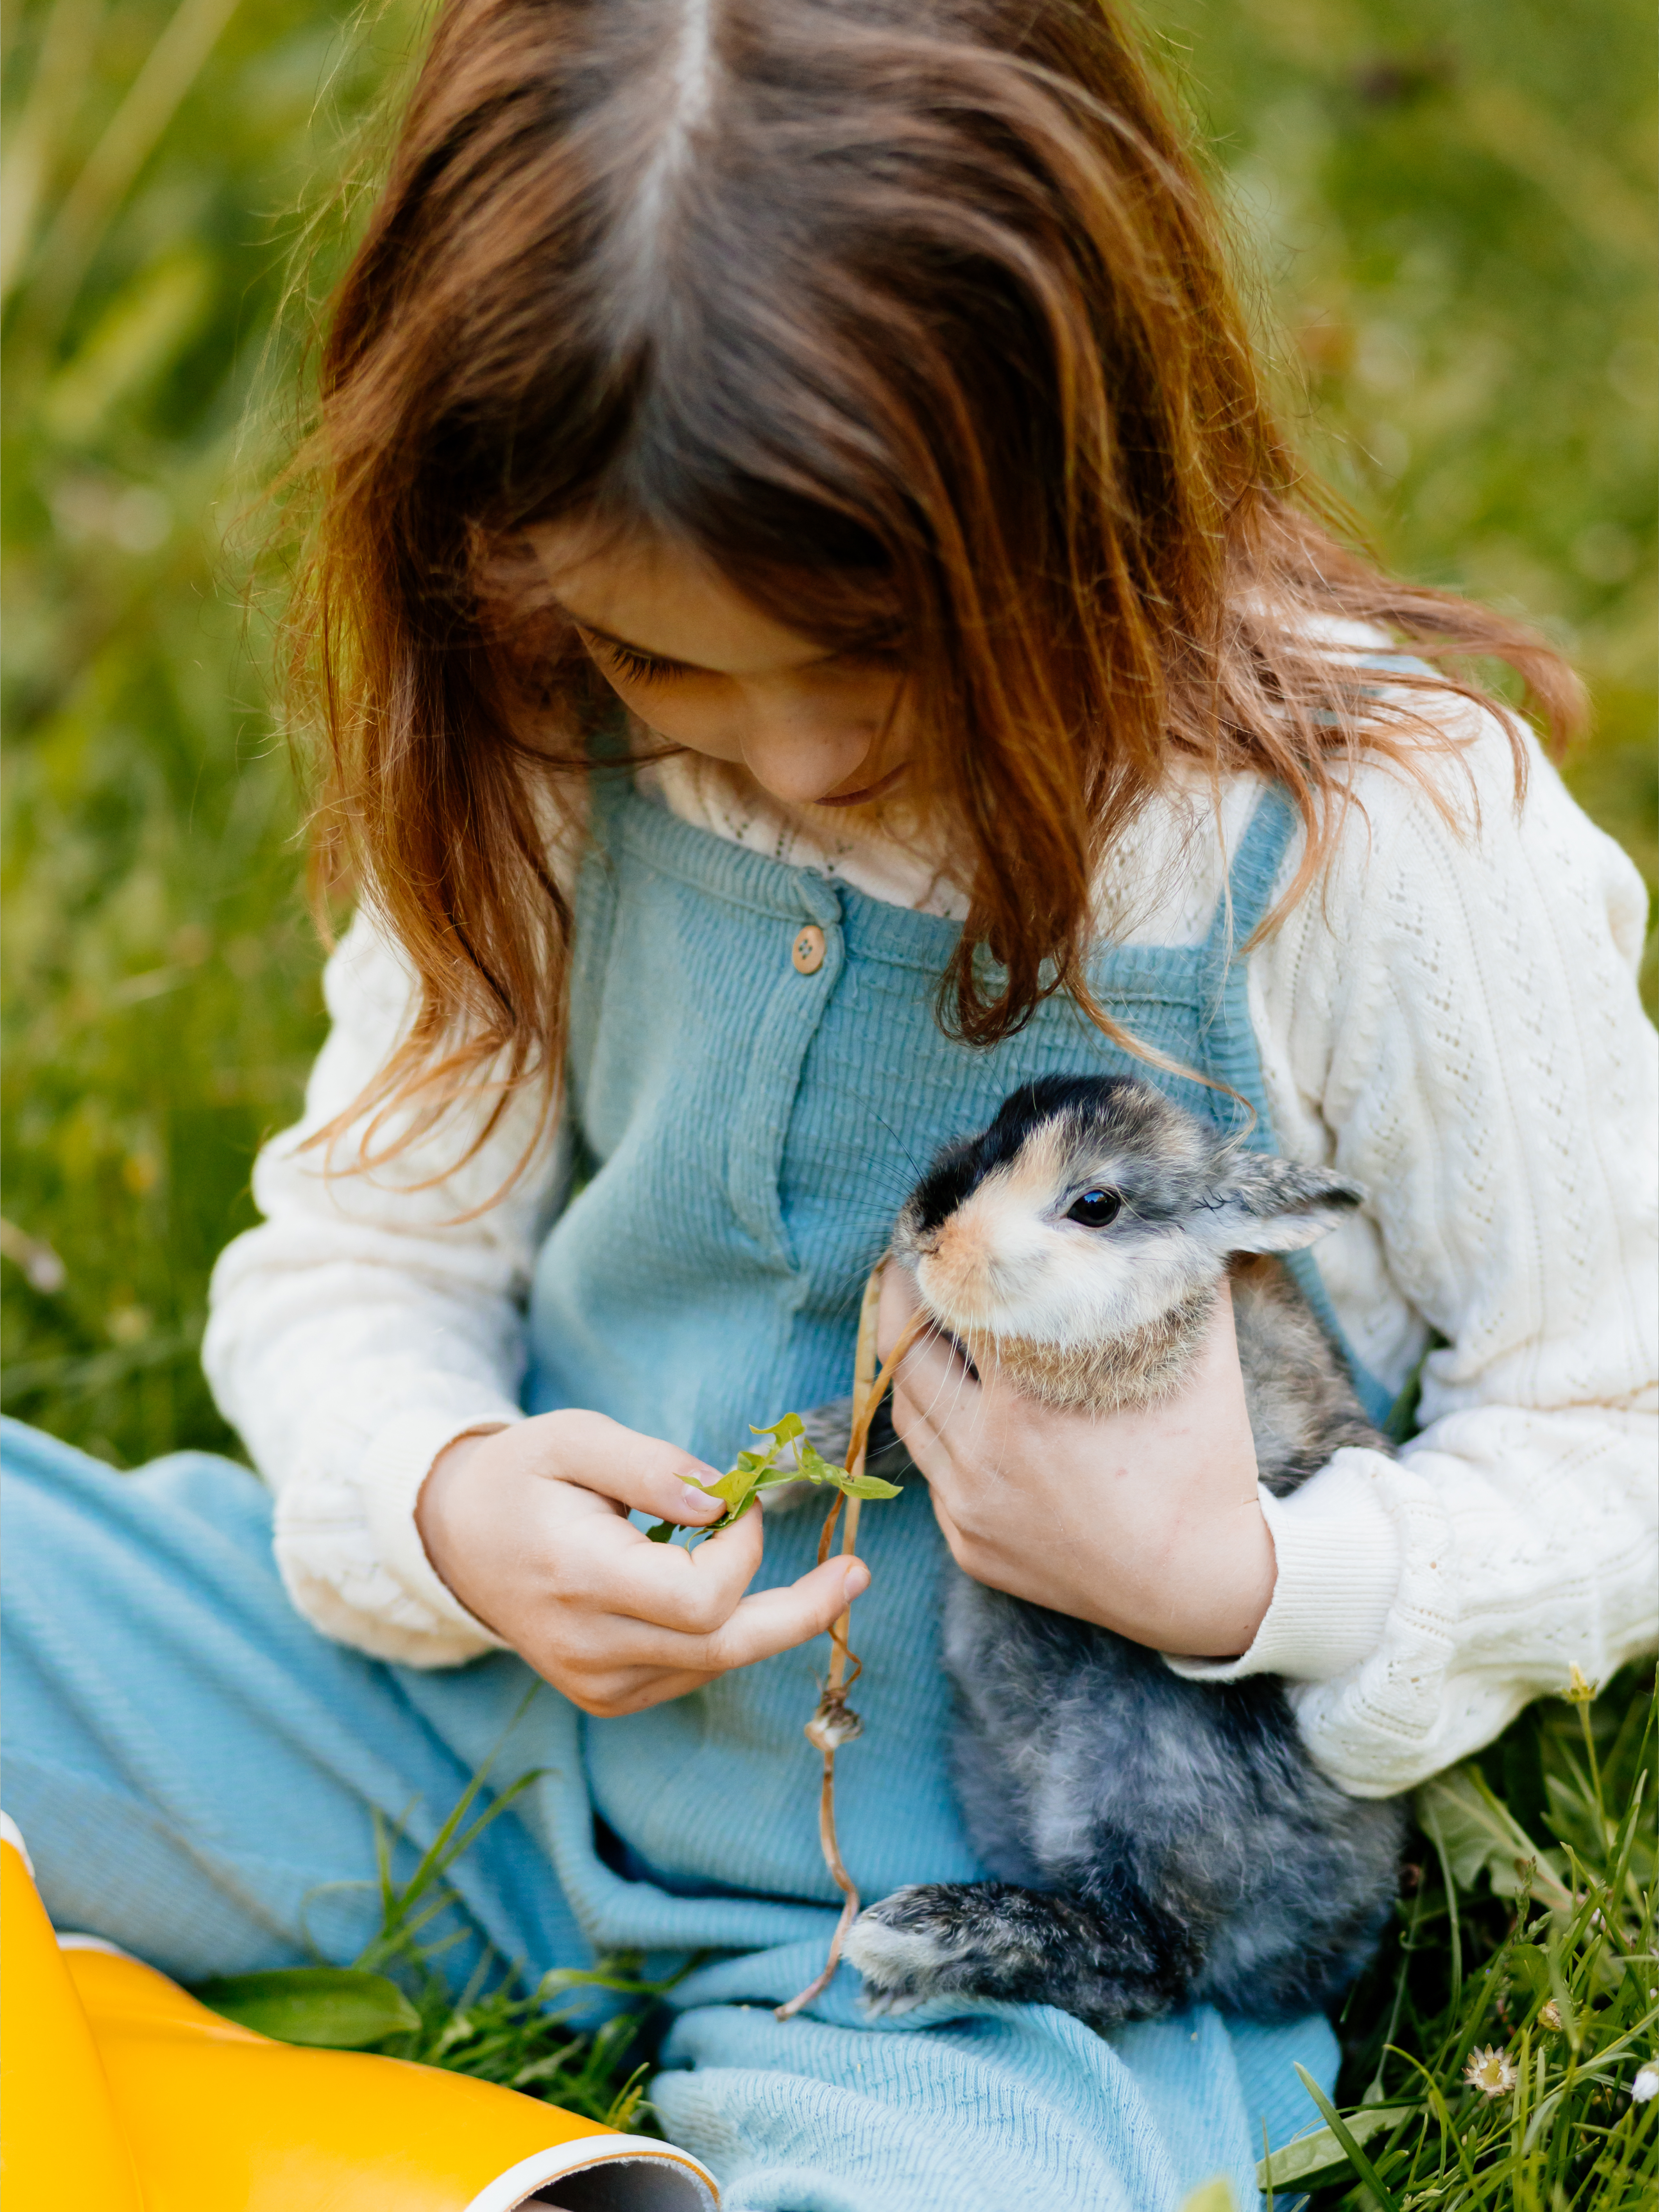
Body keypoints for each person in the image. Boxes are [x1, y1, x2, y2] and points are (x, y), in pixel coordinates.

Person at [6, 0, 1655, 2204]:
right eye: (668, 662)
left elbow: (1618, 1426)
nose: (780, 756)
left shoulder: (1358, 839)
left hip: (1020, 1902)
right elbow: (363, 1256)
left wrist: (1251, 1578)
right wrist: (444, 1505)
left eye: (876, 650)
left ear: (1093, 478)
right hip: (462, 1724)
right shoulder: (540, 742)